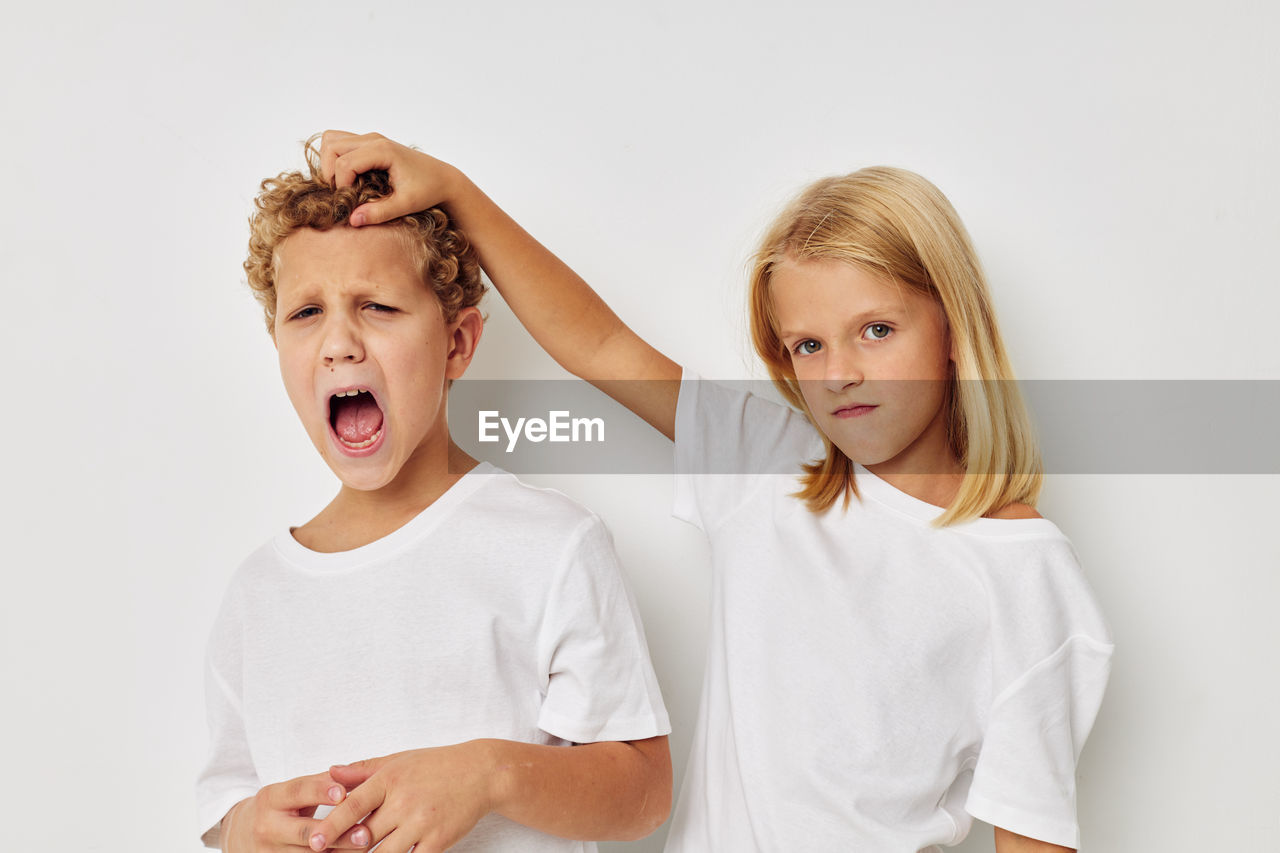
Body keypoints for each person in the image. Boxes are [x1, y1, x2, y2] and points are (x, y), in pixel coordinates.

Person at [315, 131, 1114, 853]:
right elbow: (596, 342)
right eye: (808, 343)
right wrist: (457, 192)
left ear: (952, 328)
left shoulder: (1026, 573)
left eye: (877, 329)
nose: (838, 372)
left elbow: (1033, 837)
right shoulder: (768, 467)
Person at [195, 138, 672, 853]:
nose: (339, 343)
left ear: (457, 342)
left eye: (378, 306)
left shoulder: (550, 545)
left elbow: (643, 791)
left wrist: (488, 774)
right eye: (305, 314)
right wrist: (242, 828)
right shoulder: (256, 592)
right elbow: (226, 799)